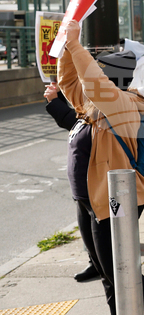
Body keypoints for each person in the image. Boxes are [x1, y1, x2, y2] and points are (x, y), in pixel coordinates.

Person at [57, 20, 144, 315]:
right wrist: (65, 48)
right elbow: (68, 83)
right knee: (105, 267)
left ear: (112, 78)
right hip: (91, 199)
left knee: (120, 266)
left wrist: (76, 44)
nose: (92, 74)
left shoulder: (123, 103)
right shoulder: (96, 104)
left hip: (116, 198)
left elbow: (92, 82)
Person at [43, 82, 99, 283]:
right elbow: (75, 121)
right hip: (82, 189)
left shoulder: (105, 103)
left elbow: (75, 122)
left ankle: (111, 271)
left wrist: (55, 101)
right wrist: (56, 99)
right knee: (89, 236)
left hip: (97, 187)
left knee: (104, 245)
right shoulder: (89, 105)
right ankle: (96, 264)